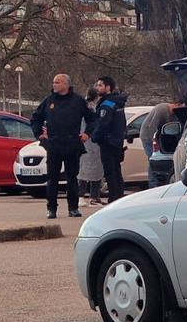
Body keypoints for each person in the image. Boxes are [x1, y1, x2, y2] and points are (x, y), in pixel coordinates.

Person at [30, 74, 93, 219]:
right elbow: (36, 118)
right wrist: (39, 134)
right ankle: (51, 209)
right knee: (52, 178)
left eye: (57, 82)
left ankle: (73, 208)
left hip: (72, 144)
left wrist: (87, 134)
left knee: (72, 178)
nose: (54, 85)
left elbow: (92, 119)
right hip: (54, 145)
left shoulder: (78, 101)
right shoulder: (49, 100)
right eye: (53, 82)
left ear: (66, 84)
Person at [90, 75, 127, 203]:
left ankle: (113, 199)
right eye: (97, 85)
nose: (97, 88)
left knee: (110, 173)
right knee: (117, 172)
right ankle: (119, 197)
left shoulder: (107, 104)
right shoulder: (118, 102)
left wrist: (95, 137)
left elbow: (103, 123)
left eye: (100, 85)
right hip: (117, 142)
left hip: (108, 142)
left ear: (108, 87)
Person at [140, 99, 183, 188]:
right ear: (177, 104)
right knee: (154, 159)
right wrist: (155, 142)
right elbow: (153, 126)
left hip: (157, 137)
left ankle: (159, 182)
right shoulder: (162, 109)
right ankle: (153, 184)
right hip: (148, 136)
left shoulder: (173, 114)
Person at [77, 88, 104, 207]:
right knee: (94, 171)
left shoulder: (80, 106)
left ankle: (82, 196)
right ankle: (93, 197)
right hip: (92, 142)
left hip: (83, 141)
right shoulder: (92, 109)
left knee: (83, 170)